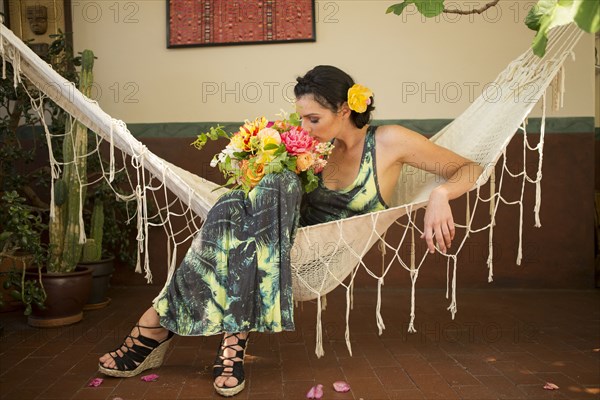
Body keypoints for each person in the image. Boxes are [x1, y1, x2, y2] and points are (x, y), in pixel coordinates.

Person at [98, 65, 483, 397]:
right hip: (276, 240)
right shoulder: (311, 149)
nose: (304, 128)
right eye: (301, 118)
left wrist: (440, 196)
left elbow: (469, 168)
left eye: (313, 119)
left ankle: (156, 324)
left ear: (346, 109)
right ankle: (232, 342)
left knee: (251, 209)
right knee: (250, 195)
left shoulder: (388, 141)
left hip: (319, 247)